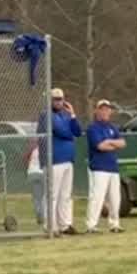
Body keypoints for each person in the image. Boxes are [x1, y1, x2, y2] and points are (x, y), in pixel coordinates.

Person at [42, 88, 83, 235]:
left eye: (60, 99)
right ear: (50, 100)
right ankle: (50, 227)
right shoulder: (46, 115)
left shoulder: (65, 115)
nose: (58, 102)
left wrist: (72, 114)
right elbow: (63, 132)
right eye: (55, 99)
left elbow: (77, 131)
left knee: (65, 195)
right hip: (54, 160)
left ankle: (65, 225)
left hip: (67, 159)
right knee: (52, 195)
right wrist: (70, 132)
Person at [83, 98, 126, 234]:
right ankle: (91, 225)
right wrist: (112, 144)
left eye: (107, 109)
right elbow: (100, 146)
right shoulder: (93, 128)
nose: (105, 111)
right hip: (99, 167)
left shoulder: (112, 127)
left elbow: (122, 143)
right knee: (97, 197)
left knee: (115, 198)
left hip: (112, 167)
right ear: (97, 111)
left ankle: (114, 224)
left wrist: (109, 141)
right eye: (102, 109)